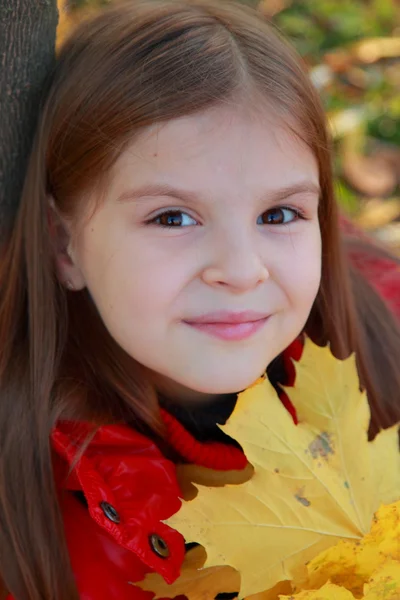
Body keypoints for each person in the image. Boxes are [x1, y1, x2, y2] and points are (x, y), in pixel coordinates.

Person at [0, 0, 399, 598]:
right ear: (65, 246)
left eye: (280, 212)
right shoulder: (25, 493)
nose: (241, 271)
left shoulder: (388, 343)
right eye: (173, 218)